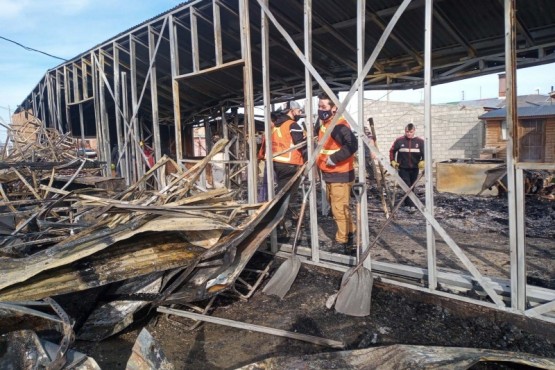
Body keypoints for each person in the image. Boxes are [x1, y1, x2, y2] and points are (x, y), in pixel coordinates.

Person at [316, 92, 358, 253]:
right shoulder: (325, 125)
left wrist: (334, 158)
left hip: (340, 174)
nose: (320, 110)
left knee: (338, 208)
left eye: (324, 107)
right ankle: (350, 231)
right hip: (331, 175)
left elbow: (352, 145)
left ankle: (342, 241)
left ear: (334, 108)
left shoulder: (338, 126)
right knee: (339, 207)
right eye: (319, 107)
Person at [271, 101, 307, 190]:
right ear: (292, 111)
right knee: (288, 192)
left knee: (282, 188)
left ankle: (280, 203)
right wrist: (307, 139)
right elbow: (300, 144)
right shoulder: (292, 124)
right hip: (290, 163)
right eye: (299, 111)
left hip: (277, 162)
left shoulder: (276, 125)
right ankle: (281, 204)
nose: (300, 114)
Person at [389, 123, 425, 212]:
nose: (409, 133)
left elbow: (425, 153)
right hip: (403, 168)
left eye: (411, 132)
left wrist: (423, 160)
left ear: (414, 131)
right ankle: (411, 205)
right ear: (405, 131)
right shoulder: (399, 141)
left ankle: (408, 203)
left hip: (414, 168)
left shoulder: (420, 142)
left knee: (412, 186)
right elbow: (392, 151)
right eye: (407, 132)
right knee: (407, 185)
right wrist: (392, 161)